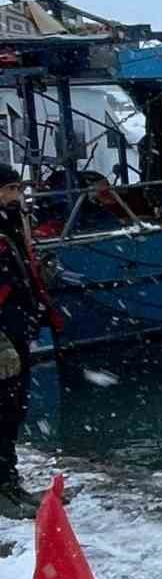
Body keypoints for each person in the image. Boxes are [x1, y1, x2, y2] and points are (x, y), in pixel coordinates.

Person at [0, 166, 44, 518]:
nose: (17, 195)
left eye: (18, 187)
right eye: (10, 188)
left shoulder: (12, 226)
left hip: (16, 328)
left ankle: (10, 481)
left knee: (14, 409)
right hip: (3, 333)